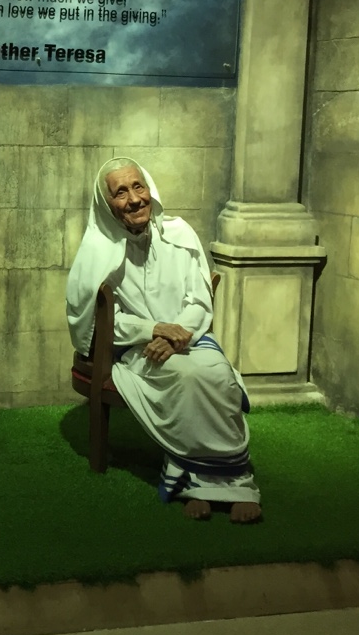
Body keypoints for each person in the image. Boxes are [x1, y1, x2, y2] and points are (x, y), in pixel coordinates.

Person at [66, 157, 262, 523]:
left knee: (220, 374)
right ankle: (198, 485)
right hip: (137, 350)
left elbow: (200, 299)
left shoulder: (180, 233)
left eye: (137, 186)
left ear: (149, 189)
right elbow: (98, 323)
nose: (134, 199)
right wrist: (153, 330)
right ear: (106, 204)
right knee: (185, 377)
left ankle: (234, 480)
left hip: (191, 339)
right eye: (120, 193)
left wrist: (178, 335)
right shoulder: (97, 251)